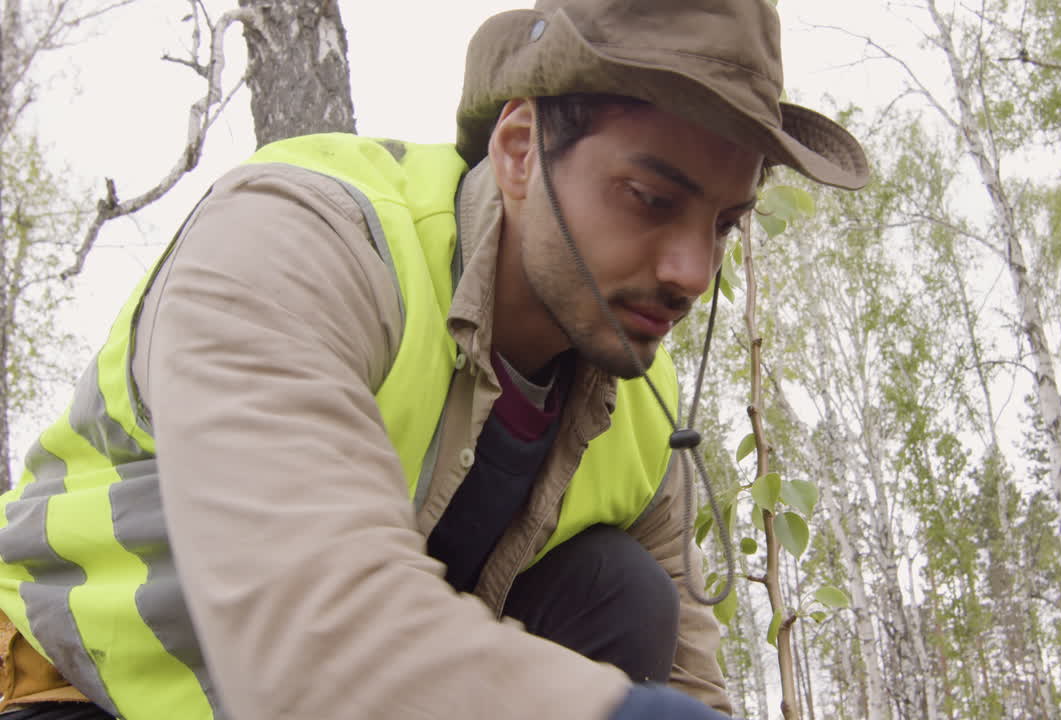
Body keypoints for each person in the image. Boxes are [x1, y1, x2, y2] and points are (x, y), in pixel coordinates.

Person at [0, 0, 868, 718]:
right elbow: (310, 630)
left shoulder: (638, 400)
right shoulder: (303, 237)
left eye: (723, 224)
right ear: (520, 151)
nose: (692, 271)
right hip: (78, 686)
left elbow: (686, 673)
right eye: (650, 199)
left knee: (623, 590)